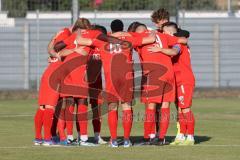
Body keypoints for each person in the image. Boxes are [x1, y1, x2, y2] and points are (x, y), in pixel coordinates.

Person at [130, 21, 188, 145]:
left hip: (154, 74)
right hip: (169, 73)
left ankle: (147, 138)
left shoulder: (138, 36)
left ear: (135, 31)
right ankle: (161, 138)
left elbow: (121, 37)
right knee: (165, 106)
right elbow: (183, 40)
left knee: (151, 107)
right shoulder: (162, 35)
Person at [149, 22, 195, 145]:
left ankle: (190, 137)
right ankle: (181, 135)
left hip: (184, 79)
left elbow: (174, 52)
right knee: (180, 109)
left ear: (169, 32)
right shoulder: (177, 41)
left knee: (185, 108)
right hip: (177, 79)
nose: (162, 34)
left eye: (164, 31)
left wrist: (159, 49)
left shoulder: (178, 44)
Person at [34, 27, 71, 146]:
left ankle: (38, 138)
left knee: (43, 108)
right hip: (55, 78)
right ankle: (47, 139)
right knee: (50, 108)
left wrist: (55, 36)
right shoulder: (67, 47)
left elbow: (49, 49)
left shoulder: (54, 48)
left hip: (47, 75)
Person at [86, 24, 108, 144]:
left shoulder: (105, 45)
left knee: (96, 109)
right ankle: (69, 136)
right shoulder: (87, 45)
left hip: (97, 83)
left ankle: (97, 136)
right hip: (81, 82)